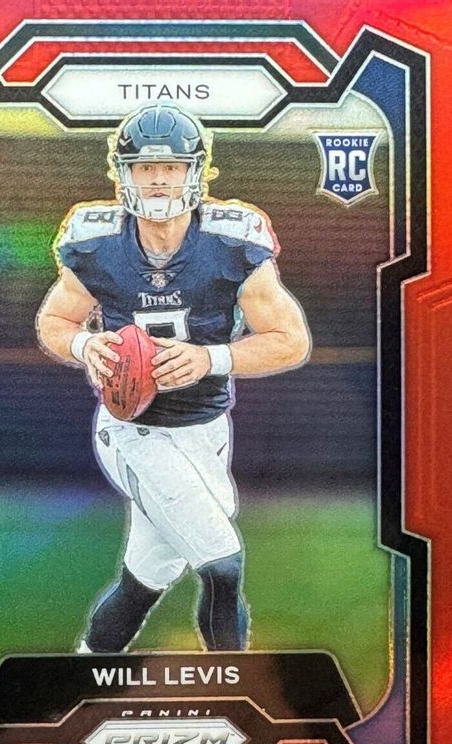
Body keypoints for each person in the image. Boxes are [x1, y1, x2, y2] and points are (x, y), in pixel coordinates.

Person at [36, 101, 311, 653]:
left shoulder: (233, 242)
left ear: (197, 172)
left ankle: (84, 669)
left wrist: (211, 358)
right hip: (132, 428)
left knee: (144, 580)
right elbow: (54, 320)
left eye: (172, 167)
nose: (158, 179)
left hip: (206, 429)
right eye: (145, 167)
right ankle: (233, 686)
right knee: (222, 563)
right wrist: (85, 344)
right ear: (123, 173)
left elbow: (291, 340)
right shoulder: (97, 243)